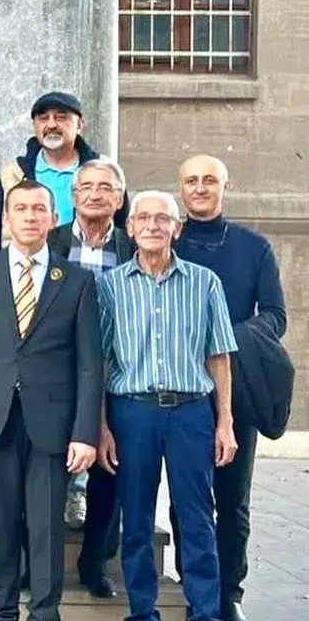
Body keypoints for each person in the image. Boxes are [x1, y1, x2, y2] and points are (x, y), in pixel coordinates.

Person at [0, 180, 102, 621]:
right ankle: (1, 609)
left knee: (45, 523)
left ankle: (44, 610)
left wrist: (85, 432)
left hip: (52, 421)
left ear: (54, 219)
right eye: (21, 208)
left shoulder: (76, 281)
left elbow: (89, 364)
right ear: (6, 217)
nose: (30, 216)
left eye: (39, 209)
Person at [97, 190, 239, 621]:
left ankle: (205, 611)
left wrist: (225, 421)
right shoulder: (110, 286)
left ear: (177, 229)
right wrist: (100, 426)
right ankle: (143, 610)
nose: (153, 225)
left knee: (197, 516)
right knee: (136, 517)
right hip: (132, 413)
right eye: (144, 218)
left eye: (163, 219)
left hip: (191, 412)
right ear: (130, 228)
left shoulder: (204, 282)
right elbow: (100, 360)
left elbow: (219, 355)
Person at [173, 155, 285, 621]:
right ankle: (195, 588)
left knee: (233, 500)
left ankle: (230, 593)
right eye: (191, 180)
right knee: (186, 500)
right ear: (181, 187)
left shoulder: (253, 247)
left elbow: (275, 316)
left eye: (209, 180)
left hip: (236, 391)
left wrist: (224, 340)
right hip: (178, 389)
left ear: (226, 186)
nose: (200, 188)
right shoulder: (167, 239)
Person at [42, 158, 135, 599]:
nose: (95, 194)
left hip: (118, 370)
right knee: (47, 469)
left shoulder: (132, 245)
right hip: (58, 370)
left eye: (106, 188)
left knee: (109, 472)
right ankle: (37, 563)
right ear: (73, 196)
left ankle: (95, 563)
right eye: (87, 187)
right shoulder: (51, 242)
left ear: (119, 199)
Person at [0, 92, 128, 249]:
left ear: (79, 125)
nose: (51, 125)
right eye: (43, 119)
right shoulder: (14, 174)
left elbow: (123, 230)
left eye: (61, 118)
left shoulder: (105, 170)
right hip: (30, 261)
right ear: (34, 126)